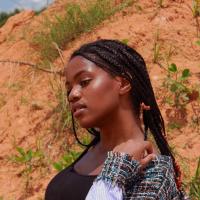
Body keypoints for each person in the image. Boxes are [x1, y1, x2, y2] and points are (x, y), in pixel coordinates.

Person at [45, 39, 189, 200]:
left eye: (84, 82)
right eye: (69, 89)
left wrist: (114, 174)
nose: (73, 95)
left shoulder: (153, 171)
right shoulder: (94, 152)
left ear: (123, 83)